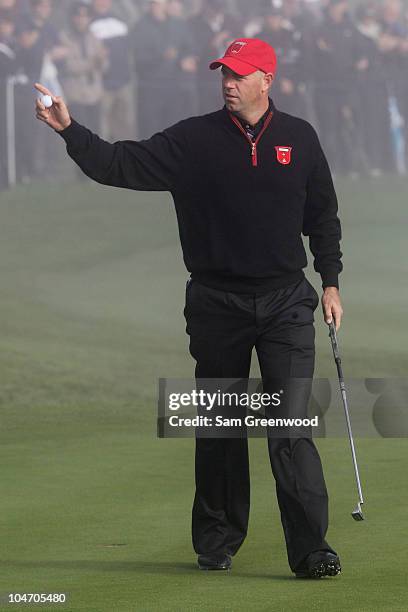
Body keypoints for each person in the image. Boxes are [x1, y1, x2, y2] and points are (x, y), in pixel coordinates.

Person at [34, 36, 343, 579]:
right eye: (223, 72)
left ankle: (310, 548)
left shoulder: (300, 137)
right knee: (221, 425)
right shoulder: (194, 140)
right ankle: (218, 539)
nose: (228, 82)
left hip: (285, 301)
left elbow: (323, 216)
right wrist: (71, 132)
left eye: (239, 74)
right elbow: (118, 164)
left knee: (289, 426)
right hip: (216, 302)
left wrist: (332, 281)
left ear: (266, 80)